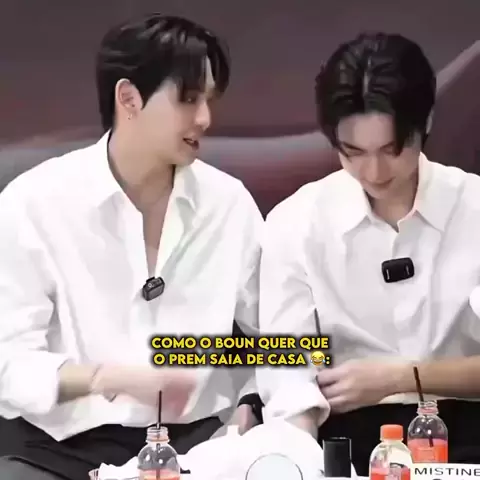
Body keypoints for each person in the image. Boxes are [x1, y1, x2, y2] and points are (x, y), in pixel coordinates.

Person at [0, 13, 263, 480]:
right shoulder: (32, 203)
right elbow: (8, 364)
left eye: (209, 100)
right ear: (129, 98)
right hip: (58, 453)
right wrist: (106, 378)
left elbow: (281, 338)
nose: (205, 118)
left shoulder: (229, 204)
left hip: (198, 450)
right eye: (188, 99)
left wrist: (252, 402)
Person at [257, 31, 480, 474]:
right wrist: (299, 461)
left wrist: (400, 377)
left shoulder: (473, 208)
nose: (374, 172)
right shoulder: (297, 222)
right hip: (349, 442)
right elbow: (289, 381)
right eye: (353, 152)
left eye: (392, 150)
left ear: (425, 122)